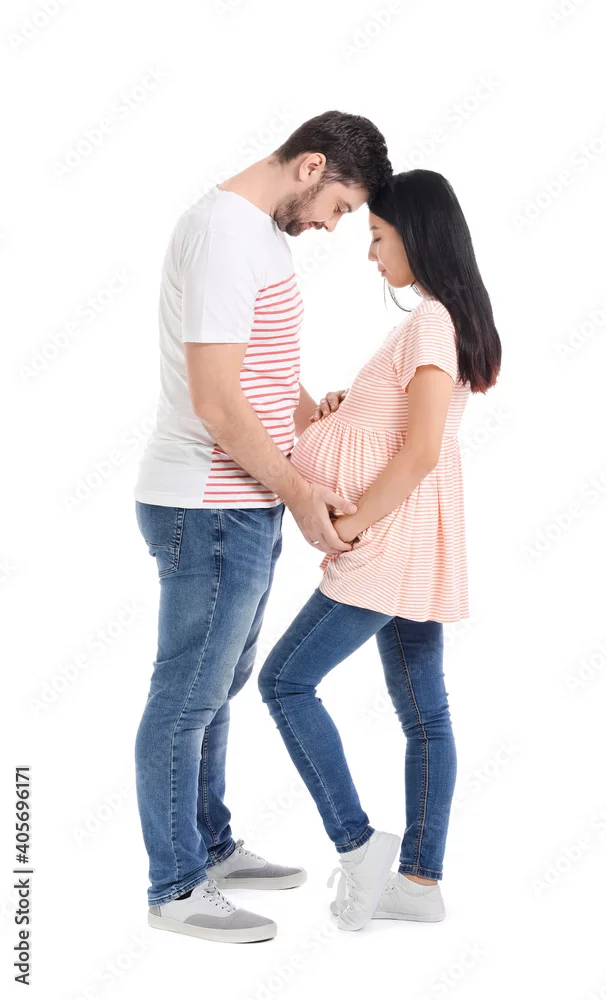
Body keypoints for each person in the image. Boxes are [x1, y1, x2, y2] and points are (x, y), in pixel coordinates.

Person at [133, 111, 392, 944]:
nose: (333, 227)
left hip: (243, 502)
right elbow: (216, 402)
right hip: (207, 504)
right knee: (185, 701)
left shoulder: (260, 237)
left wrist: (317, 419)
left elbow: (261, 373)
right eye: (340, 208)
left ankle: (208, 846)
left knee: (216, 691)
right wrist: (303, 496)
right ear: (311, 165)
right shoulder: (223, 233)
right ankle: (175, 888)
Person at [258, 169, 502, 932]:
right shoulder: (440, 322)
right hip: (414, 540)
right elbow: (398, 427)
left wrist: (354, 525)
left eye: (378, 237)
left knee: (285, 682)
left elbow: (422, 449)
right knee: (425, 713)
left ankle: (358, 845)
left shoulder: (430, 321)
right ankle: (419, 883)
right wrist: (343, 408)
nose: (371, 255)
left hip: (390, 540)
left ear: (417, 236)